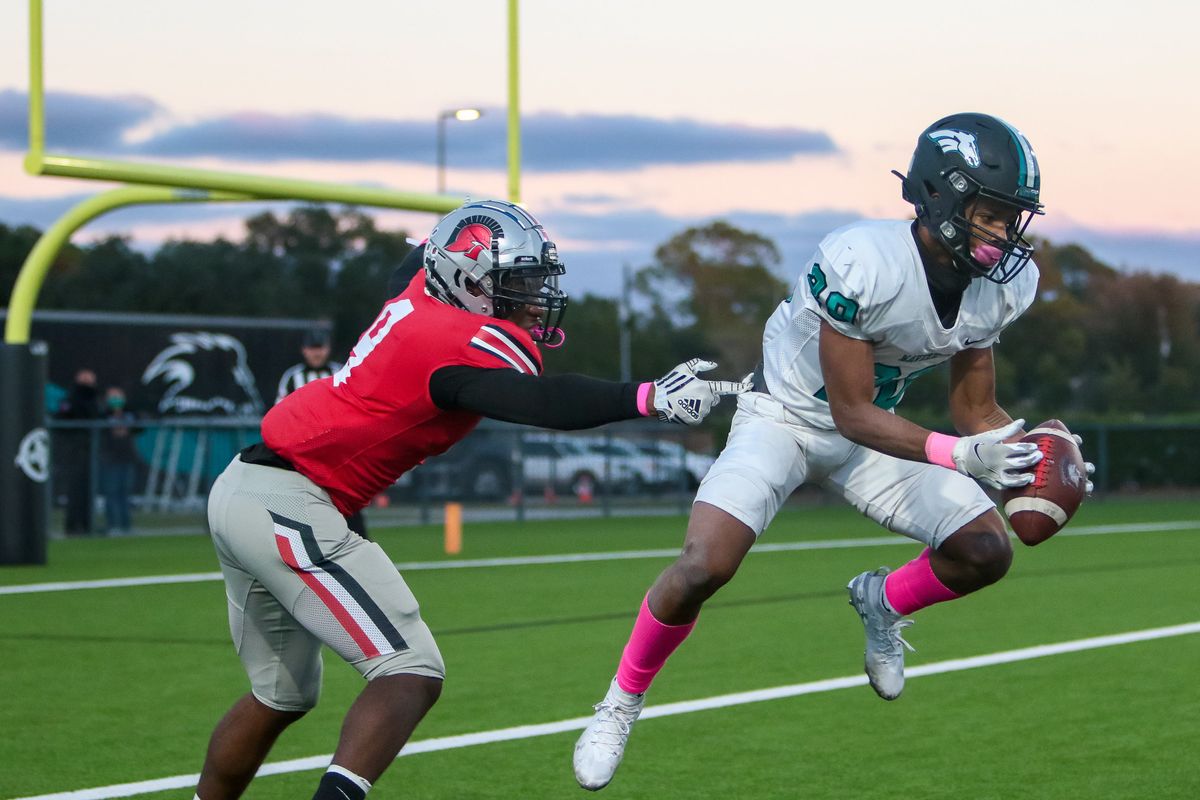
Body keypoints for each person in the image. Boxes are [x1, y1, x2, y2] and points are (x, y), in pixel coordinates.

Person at [572, 112, 1097, 791]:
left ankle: (884, 602)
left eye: (1010, 218)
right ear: (941, 196)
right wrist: (962, 457)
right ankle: (621, 701)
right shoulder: (861, 261)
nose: (1002, 233)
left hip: (880, 434)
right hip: (786, 420)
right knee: (705, 564)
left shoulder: (999, 286)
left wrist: (1034, 450)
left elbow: (974, 411)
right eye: (990, 214)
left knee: (986, 552)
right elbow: (850, 411)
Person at [195, 199, 750, 800]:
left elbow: (417, 255)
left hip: (245, 489)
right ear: (469, 283)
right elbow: (543, 404)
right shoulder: (452, 343)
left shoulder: (416, 292)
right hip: (288, 501)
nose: (533, 297)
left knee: (281, 695)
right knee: (410, 673)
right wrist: (644, 398)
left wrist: (482, 219)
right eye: (516, 283)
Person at [275, 328, 371, 538]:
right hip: (305, 451)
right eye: (312, 348)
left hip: (337, 449)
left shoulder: (341, 371)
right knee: (306, 499)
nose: (316, 353)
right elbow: (281, 413)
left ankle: (359, 541)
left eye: (320, 348)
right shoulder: (293, 377)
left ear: (327, 349)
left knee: (347, 499)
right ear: (304, 350)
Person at [55, 368, 101, 535]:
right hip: (75, 450)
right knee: (76, 489)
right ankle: (73, 525)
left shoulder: (94, 399)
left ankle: (87, 524)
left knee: (88, 490)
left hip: (90, 449)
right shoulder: (71, 399)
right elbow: (62, 420)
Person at [99, 387, 139, 535]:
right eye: (113, 397)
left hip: (127, 458)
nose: (116, 400)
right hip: (110, 459)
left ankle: (126, 525)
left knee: (125, 492)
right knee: (112, 492)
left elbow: (138, 426)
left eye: (119, 396)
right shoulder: (103, 415)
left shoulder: (130, 414)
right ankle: (113, 525)